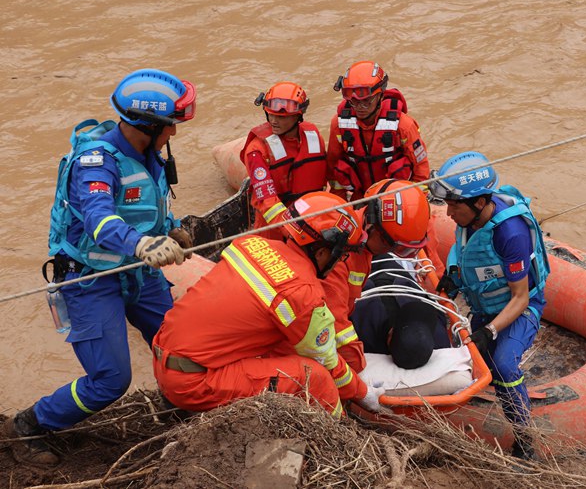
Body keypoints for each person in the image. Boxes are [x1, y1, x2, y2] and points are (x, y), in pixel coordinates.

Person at [2, 69, 195, 465]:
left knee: (182, 346)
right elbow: (99, 219)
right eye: (170, 125)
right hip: (91, 279)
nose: (174, 133)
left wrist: (171, 230)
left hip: (138, 274)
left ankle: (178, 401)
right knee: (111, 380)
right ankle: (31, 424)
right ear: (148, 125)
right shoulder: (95, 163)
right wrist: (142, 244)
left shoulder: (149, 155)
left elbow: (146, 207)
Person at [152, 192, 388, 418]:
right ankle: (339, 434)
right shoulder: (303, 293)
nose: (340, 261)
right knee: (316, 378)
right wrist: (363, 394)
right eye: (341, 255)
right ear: (322, 253)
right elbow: (328, 362)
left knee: (288, 346)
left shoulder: (251, 244)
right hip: (192, 382)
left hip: (166, 358)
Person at [429, 151, 551, 460]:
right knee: (469, 361)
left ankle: (526, 441)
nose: (448, 213)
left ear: (479, 202)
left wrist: (490, 331)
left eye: (454, 206)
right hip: (485, 306)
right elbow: (464, 247)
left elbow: (521, 297)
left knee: (504, 364)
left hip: (519, 308)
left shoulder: (510, 234)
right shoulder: (470, 217)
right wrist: (453, 274)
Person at [322, 179, 431, 373]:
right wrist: (357, 371)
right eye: (392, 246)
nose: (391, 252)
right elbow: (334, 324)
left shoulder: (360, 244)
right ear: (372, 226)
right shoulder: (337, 256)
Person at [326, 61, 429, 201]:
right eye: (353, 101)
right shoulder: (339, 125)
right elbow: (333, 168)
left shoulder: (404, 126)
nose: (359, 107)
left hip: (396, 198)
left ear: (380, 96)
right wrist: (339, 205)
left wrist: (417, 201)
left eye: (366, 101)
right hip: (359, 197)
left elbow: (420, 168)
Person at [240, 81, 327, 240]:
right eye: (270, 114)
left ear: (298, 115)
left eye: (280, 117)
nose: (273, 120)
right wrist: (292, 230)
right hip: (275, 232)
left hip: (313, 221)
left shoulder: (313, 137)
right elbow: (266, 200)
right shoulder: (257, 150)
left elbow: (329, 176)